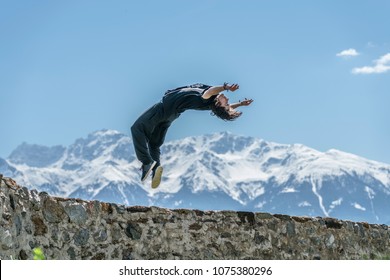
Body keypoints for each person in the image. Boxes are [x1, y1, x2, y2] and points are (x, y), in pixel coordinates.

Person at [131, 82, 253, 188]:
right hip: (171, 115)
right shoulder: (211, 104)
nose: (227, 100)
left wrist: (225, 87)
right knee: (154, 144)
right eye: (227, 102)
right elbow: (226, 108)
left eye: (225, 103)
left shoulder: (207, 98)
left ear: (218, 104)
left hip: (164, 109)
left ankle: (146, 162)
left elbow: (211, 91)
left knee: (137, 128)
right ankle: (156, 167)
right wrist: (240, 104)